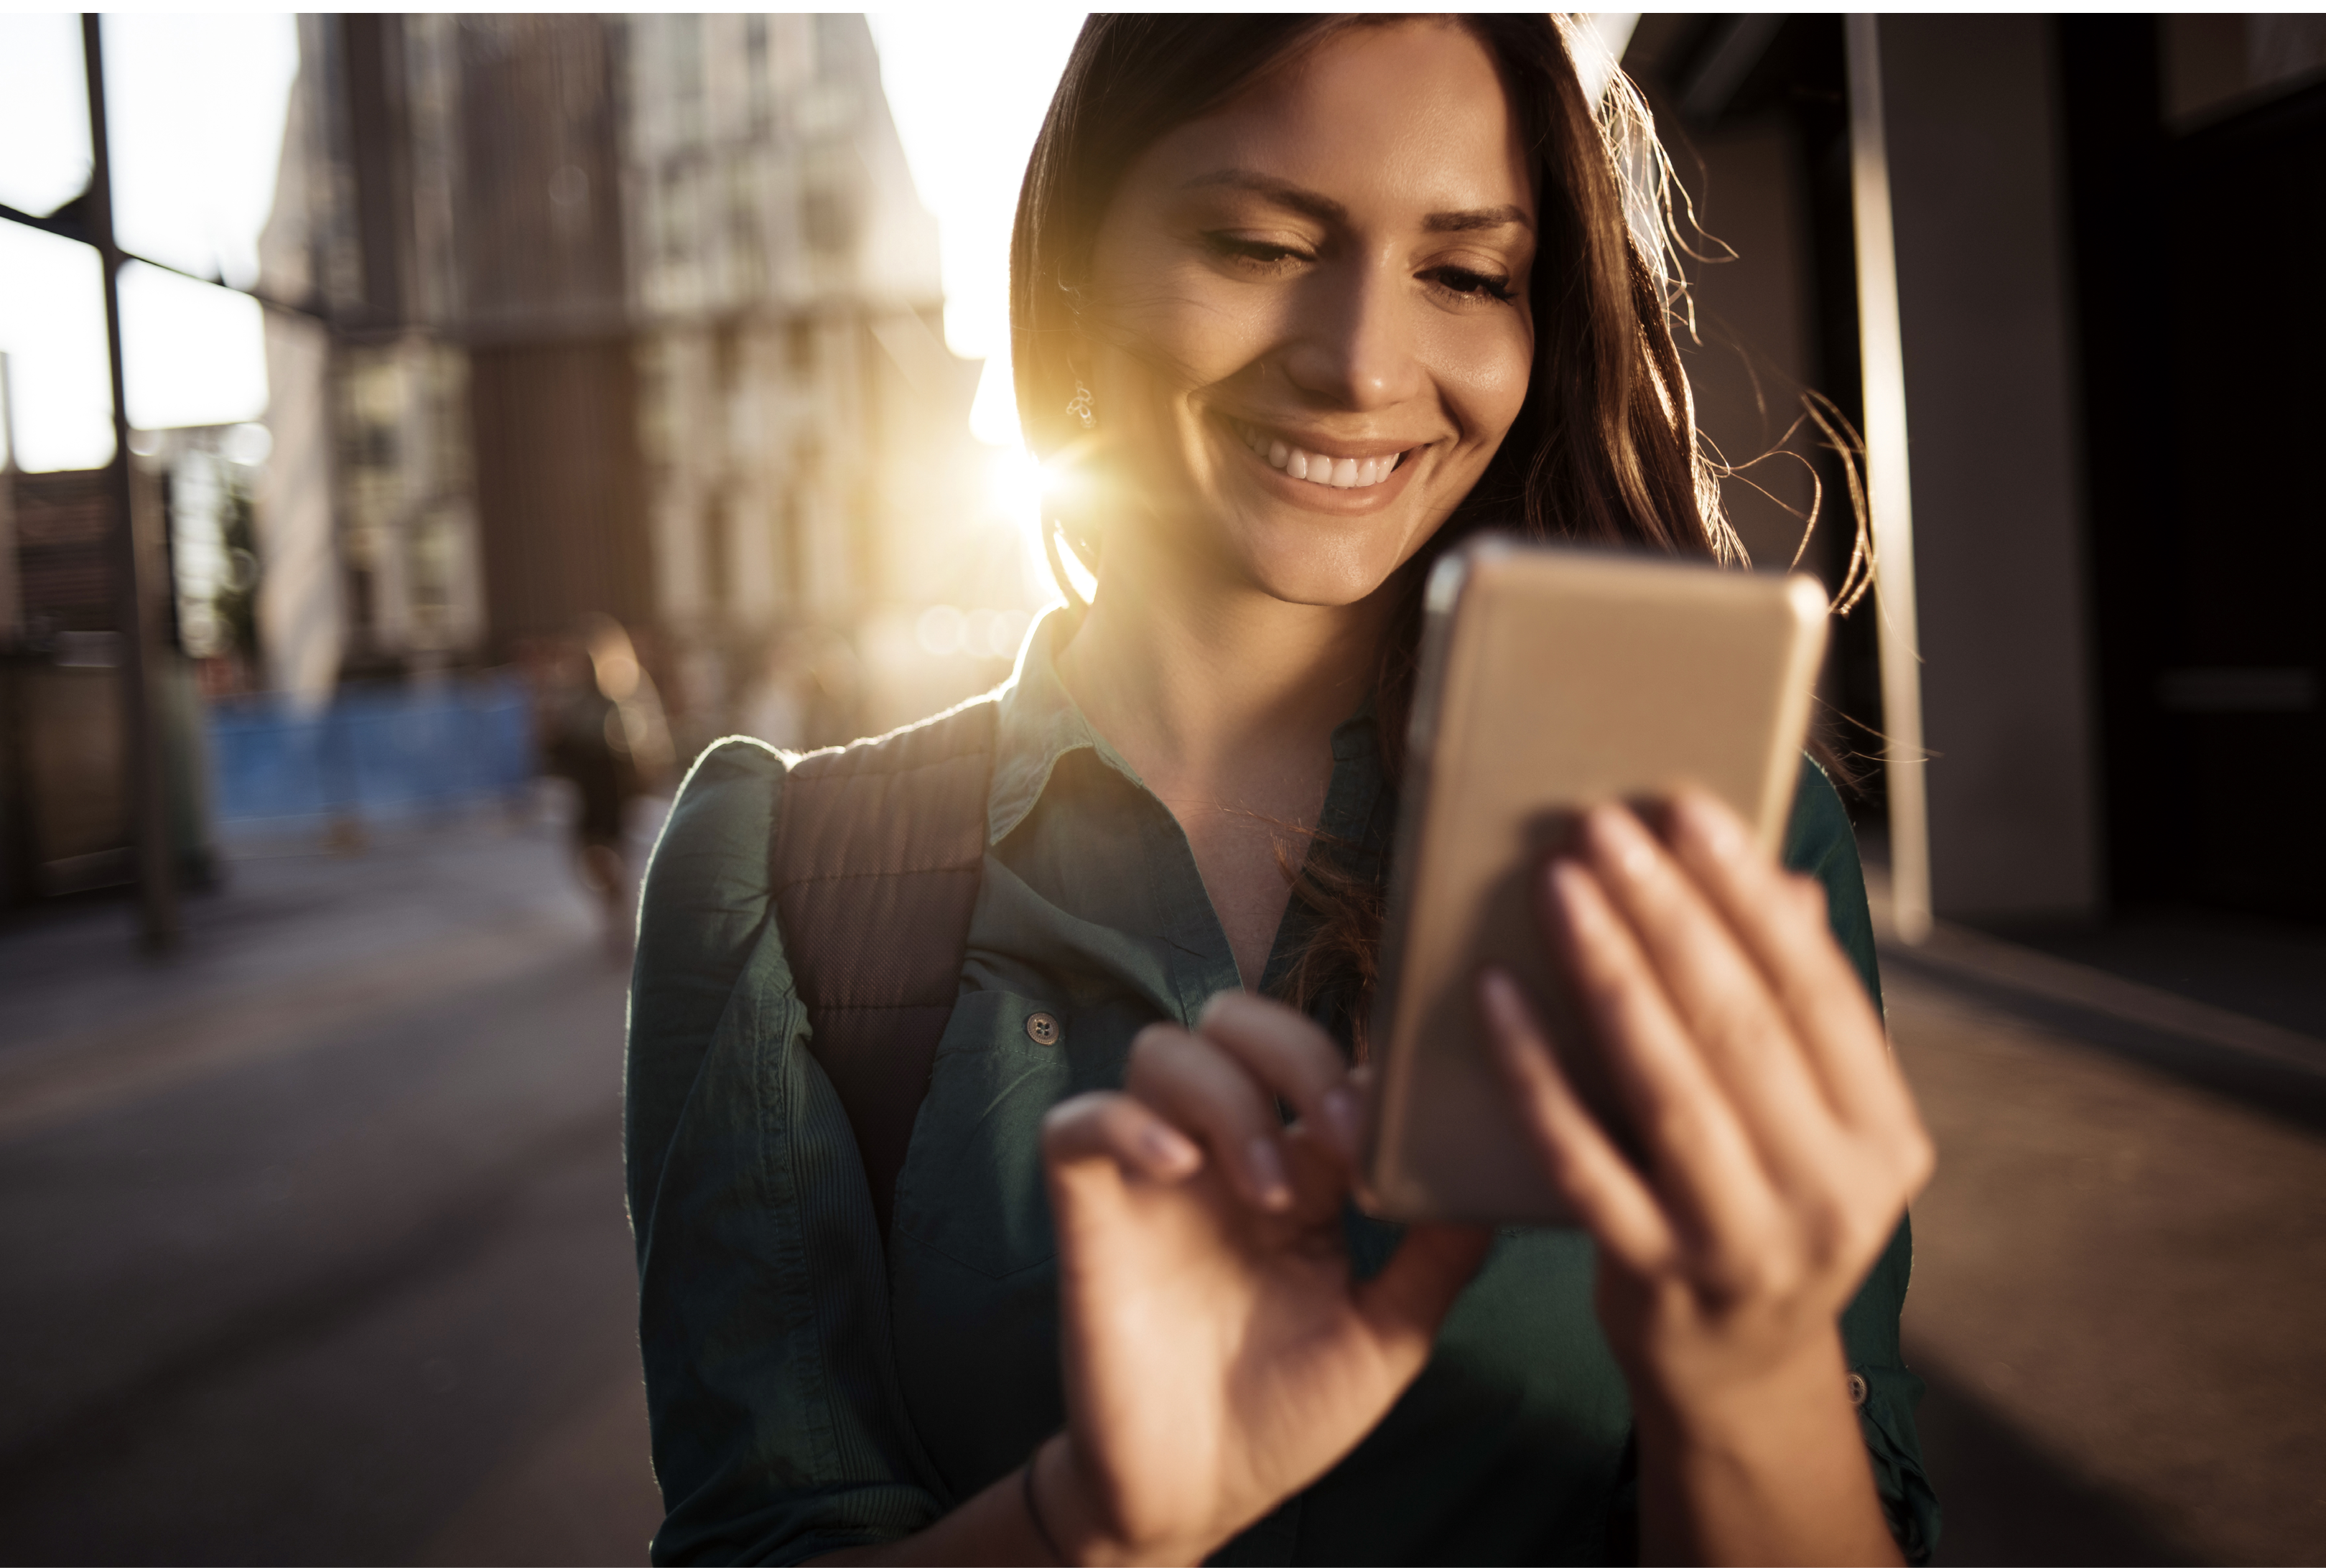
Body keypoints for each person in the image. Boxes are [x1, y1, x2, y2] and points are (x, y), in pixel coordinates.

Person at [626, 15, 1940, 1568]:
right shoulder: (785, 880)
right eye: (1255, 244)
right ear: (1066, 265)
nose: (1361, 363)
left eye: (1463, 275)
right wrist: (1089, 1524)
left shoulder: (1699, 840)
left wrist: (1751, 1378)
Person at [545, 613, 671, 957]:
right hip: (588, 786)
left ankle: (618, 919)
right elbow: (560, 743)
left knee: (610, 854)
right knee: (590, 856)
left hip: (611, 784)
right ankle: (615, 913)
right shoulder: (572, 694)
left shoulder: (620, 690)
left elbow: (640, 738)